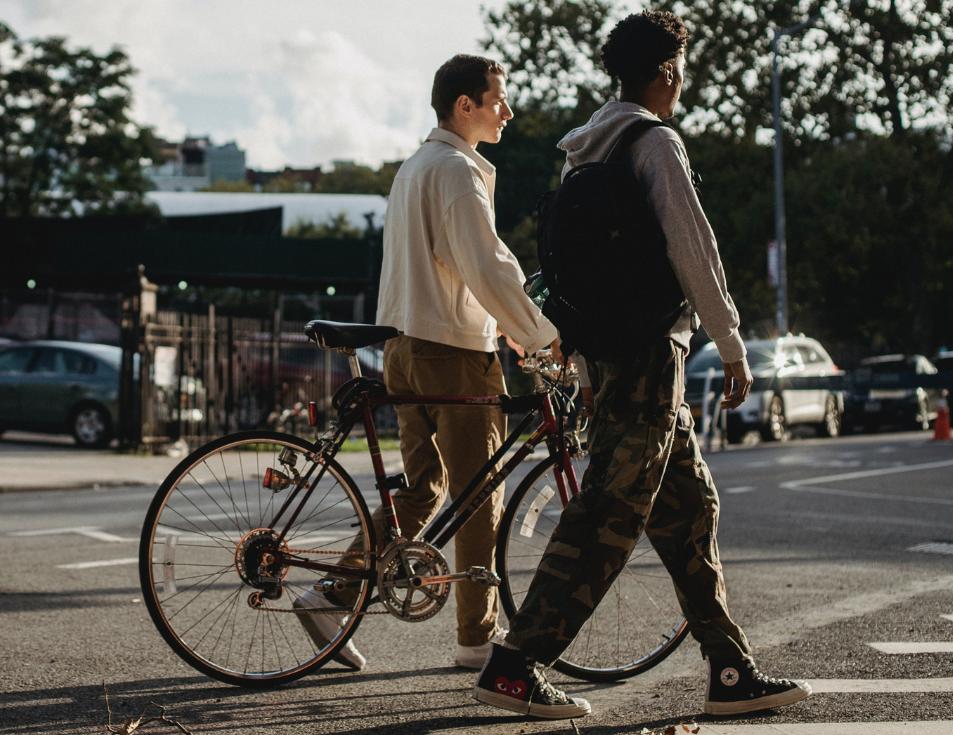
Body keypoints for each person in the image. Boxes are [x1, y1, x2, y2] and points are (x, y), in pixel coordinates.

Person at [472, 10, 811, 719]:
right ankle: (515, 661)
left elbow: (571, 276)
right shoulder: (655, 143)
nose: (680, 85)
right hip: (652, 357)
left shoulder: (585, 150)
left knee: (691, 509)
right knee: (607, 517)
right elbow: (696, 251)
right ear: (664, 74)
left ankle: (728, 668)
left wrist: (591, 372)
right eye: (678, 72)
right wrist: (733, 344)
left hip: (615, 357)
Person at [292, 54, 560, 671]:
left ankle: (331, 590)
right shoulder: (456, 171)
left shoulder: (414, 167)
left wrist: (513, 328)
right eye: (498, 100)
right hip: (452, 352)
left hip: (404, 348)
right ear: (464, 106)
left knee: (422, 489)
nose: (508, 112)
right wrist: (538, 334)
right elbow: (485, 265)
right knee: (476, 497)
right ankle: (475, 640)